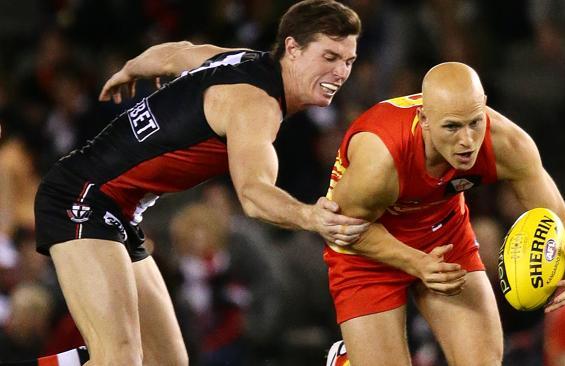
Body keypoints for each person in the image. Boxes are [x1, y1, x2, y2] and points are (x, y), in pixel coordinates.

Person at [33, 1, 367, 365]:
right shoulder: (256, 106)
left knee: (167, 361)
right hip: (81, 198)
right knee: (119, 359)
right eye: (330, 56)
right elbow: (253, 195)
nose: (340, 72)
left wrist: (131, 68)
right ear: (292, 48)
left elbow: (179, 53)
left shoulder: (244, 58)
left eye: (348, 61)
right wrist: (311, 216)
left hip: (118, 211)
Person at [324, 62, 565, 365]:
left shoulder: (506, 143)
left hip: (444, 234)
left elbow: (562, 219)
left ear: (485, 108)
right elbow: (340, 227)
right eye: (452, 127)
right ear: (424, 118)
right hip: (367, 249)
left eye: (475, 123)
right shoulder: (381, 159)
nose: (467, 141)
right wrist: (415, 261)